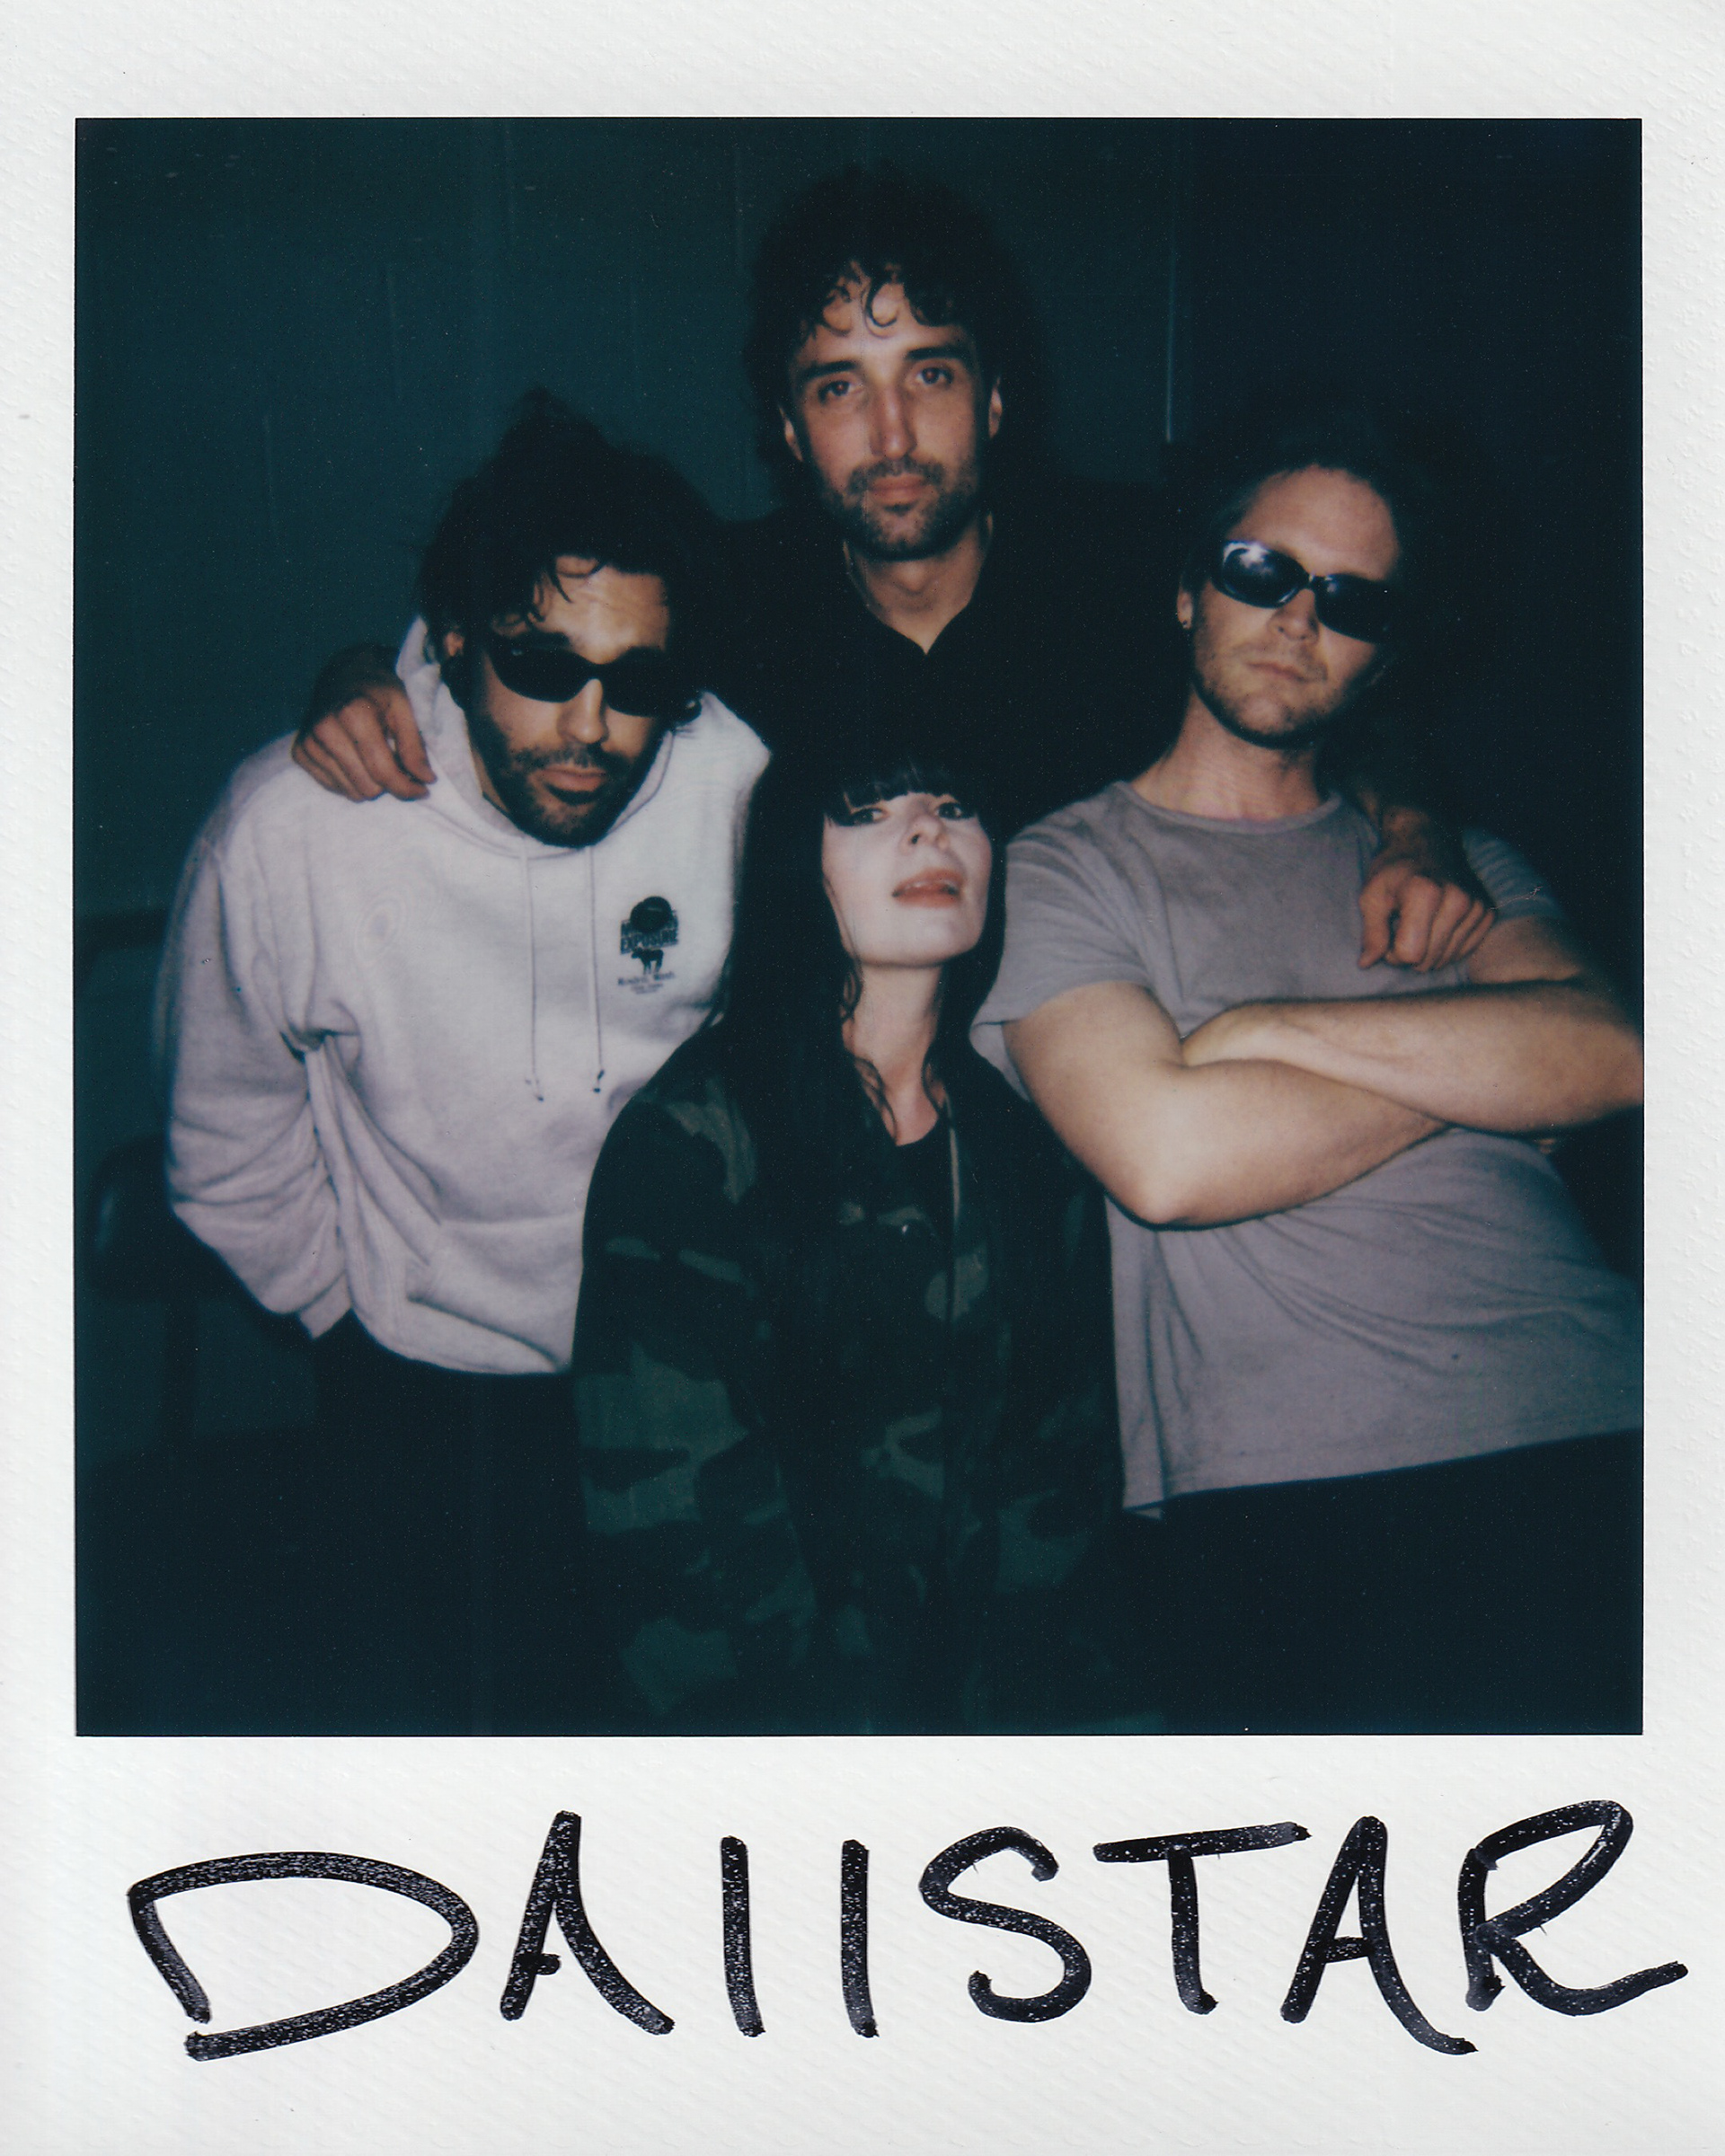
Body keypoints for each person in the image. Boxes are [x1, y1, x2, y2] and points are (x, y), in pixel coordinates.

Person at [293, 164, 1491, 974]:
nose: (893, 434)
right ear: (786, 428)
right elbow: (531, 637)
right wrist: (358, 673)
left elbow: (1329, 682)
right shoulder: (730, 593)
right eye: (839, 389)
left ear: (996, 396)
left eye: (930, 373)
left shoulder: (1131, 564)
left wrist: (1417, 829)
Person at [973, 408, 1644, 1734]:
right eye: (1261, 571)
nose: (1296, 620)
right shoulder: (1063, 867)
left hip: (1604, 1414)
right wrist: (1478, 1055)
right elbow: (1168, 1158)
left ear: (1384, 653)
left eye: (1350, 600)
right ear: (1187, 590)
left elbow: (1615, 1057)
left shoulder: (1461, 864)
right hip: (1292, 1484)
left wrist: (1262, 1032)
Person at [154, 393, 769, 1731]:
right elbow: (223, 1142)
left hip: (690, 1381)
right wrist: (344, 1322)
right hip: (421, 1400)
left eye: (637, 682)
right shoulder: (292, 832)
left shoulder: (735, 782)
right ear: (449, 639)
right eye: (542, 668)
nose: (591, 725)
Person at [571, 738, 1141, 1734]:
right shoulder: (696, 1141)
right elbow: (678, 1536)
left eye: (954, 806)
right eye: (868, 813)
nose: (928, 831)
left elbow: (1060, 1486)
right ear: (797, 867)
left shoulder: (1024, 1139)